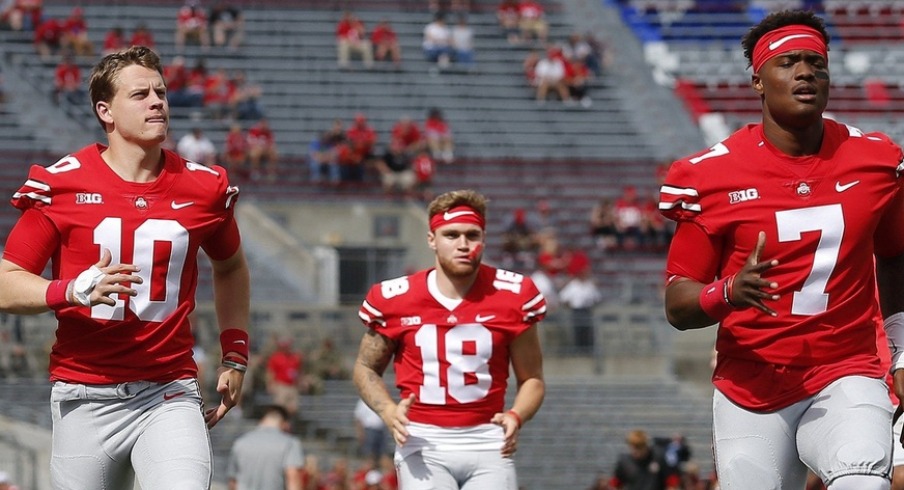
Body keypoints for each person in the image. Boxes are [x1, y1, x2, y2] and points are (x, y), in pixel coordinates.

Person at [658, 10, 904, 490]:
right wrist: (728, 292)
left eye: (817, 62)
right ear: (758, 81)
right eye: (788, 62)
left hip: (846, 367)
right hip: (751, 381)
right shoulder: (711, 175)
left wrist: (901, 351)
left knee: (864, 480)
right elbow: (677, 303)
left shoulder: (876, 160)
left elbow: (896, 255)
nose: (806, 72)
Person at [0, 45, 250, 489]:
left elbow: (230, 266)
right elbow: (5, 283)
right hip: (84, 394)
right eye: (140, 95)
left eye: (161, 91)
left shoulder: (204, 187)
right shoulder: (62, 183)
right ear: (106, 111)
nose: (157, 101)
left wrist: (235, 352)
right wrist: (72, 289)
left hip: (168, 391)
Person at [353, 189, 547, 490]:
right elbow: (365, 367)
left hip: (488, 440)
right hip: (422, 441)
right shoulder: (395, 298)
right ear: (432, 239)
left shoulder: (513, 295)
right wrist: (389, 412)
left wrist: (516, 415)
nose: (463, 245)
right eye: (451, 235)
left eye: (472, 235)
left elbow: (532, 378)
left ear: (483, 239)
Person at [227, 404, 304, 490]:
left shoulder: (240, 443)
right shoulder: (290, 444)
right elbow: (292, 478)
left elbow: (233, 482)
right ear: (285, 424)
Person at [610, 429, 680, 490]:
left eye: (639, 447)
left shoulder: (659, 457)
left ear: (646, 445)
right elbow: (615, 484)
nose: (635, 451)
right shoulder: (624, 461)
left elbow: (672, 483)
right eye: (632, 447)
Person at [355, 397, 389, 465]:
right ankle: (369, 471)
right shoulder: (362, 402)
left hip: (380, 430)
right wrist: (360, 433)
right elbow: (358, 419)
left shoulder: (380, 401)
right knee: (369, 454)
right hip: (369, 430)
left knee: (382, 453)